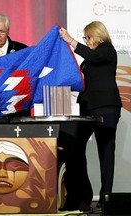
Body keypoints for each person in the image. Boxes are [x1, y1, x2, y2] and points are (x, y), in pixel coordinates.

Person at [59, 21, 122, 211]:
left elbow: (94, 57)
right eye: (85, 38)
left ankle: (106, 199)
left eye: (88, 37)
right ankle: (82, 196)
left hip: (106, 109)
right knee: (76, 149)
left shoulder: (107, 49)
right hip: (87, 110)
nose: (87, 41)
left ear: (98, 35)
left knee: (106, 153)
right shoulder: (90, 57)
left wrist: (71, 41)